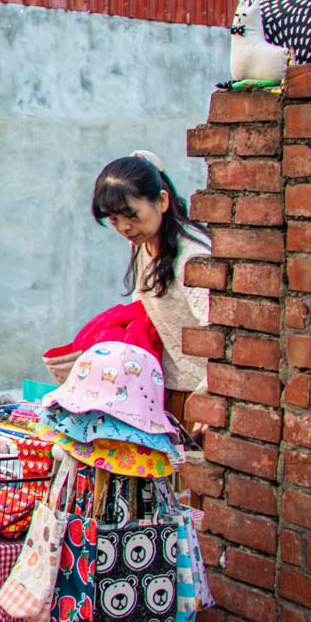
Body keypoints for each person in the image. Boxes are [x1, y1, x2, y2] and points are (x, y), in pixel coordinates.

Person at [92, 150, 212, 422]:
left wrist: (207, 404)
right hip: (160, 389)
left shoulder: (193, 257)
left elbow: (220, 336)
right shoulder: (142, 243)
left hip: (198, 396)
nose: (124, 227)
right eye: (114, 219)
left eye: (131, 215)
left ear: (162, 201)